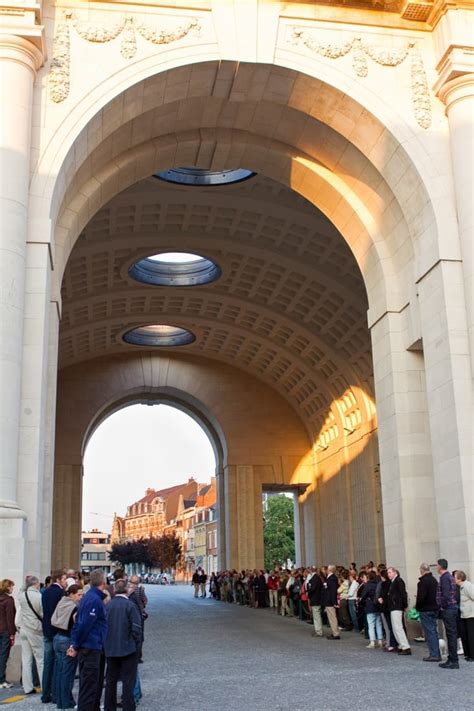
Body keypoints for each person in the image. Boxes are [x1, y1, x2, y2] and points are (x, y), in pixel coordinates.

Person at [68, 568, 108, 711]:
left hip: (94, 647)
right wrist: (75, 645)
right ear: (104, 582)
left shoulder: (91, 597)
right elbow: (83, 624)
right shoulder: (93, 599)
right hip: (90, 648)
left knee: (94, 687)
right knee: (89, 689)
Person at [103, 579, 142, 711]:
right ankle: (128, 707)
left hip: (111, 648)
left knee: (111, 681)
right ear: (127, 590)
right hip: (127, 648)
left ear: (114, 590)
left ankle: (109, 707)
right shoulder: (130, 605)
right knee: (128, 681)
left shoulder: (108, 606)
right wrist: (135, 645)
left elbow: (102, 628)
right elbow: (137, 628)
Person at [51, 584, 83, 709]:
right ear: (71, 594)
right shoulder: (74, 608)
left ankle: (58, 699)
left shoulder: (61, 602)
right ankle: (65, 701)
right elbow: (77, 627)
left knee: (59, 671)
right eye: (78, 595)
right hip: (67, 640)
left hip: (57, 638)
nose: (81, 597)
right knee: (67, 673)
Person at [41, 570, 67, 703]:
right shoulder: (60, 593)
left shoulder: (45, 592)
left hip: (46, 630)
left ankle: (45, 694)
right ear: (58, 580)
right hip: (56, 630)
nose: (66, 581)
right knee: (58, 664)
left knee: (47, 663)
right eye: (64, 579)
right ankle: (56, 694)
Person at [15, 575, 44, 695]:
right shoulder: (39, 596)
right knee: (40, 659)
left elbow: (21, 590)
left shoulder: (21, 596)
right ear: (35, 584)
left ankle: (27, 687)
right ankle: (44, 686)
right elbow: (42, 613)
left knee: (26, 659)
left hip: (23, 629)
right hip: (35, 629)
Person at [415, 563, 440, 662]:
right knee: (433, 631)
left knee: (430, 632)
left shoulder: (423, 582)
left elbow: (421, 598)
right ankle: (436, 653)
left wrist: (418, 607)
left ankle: (434, 654)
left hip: (426, 609)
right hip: (434, 608)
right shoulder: (434, 580)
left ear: (421, 570)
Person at [436, 558, 459, 669]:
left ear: (440, 566)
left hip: (448, 609)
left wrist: (442, 606)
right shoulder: (449, 576)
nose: (436, 567)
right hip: (452, 608)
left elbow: (445, 595)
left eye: (437, 565)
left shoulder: (445, 578)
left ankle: (453, 660)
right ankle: (452, 658)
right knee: (451, 634)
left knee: (451, 635)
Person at [386, 567, 411, 655]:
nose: (388, 574)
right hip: (394, 606)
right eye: (387, 573)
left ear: (395, 572)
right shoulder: (394, 581)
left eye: (390, 572)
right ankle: (401, 645)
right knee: (395, 628)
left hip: (397, 606)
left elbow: (403, 594)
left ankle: (405, 646)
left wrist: (404, 605)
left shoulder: (399, 581)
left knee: (398, 628)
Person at [454, 570, 474, 662]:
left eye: (455, 577)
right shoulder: (461, 587)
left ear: (460, 578)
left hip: (470, 615)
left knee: (471, 635)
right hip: (464, 614)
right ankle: (468, 654)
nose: (453, 579)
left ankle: (472, 655)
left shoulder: (467, 586)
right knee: (464, 635)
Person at [0, 579, 16, 689]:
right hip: (5, 630)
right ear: (7, 587)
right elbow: (10, 618)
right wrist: (12, 633)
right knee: (3, 655)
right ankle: (1, 680)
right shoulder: (9, 600)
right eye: (11, 586)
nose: (12, 588)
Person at [361, 571, 383, 648]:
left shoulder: (368, 585)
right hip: (378, 606)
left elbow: (363, 596)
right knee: (378, 624)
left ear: (369, 577)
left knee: (371, 625)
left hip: (370, 606)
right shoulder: (378, 584)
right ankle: (380, 641)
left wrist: (363, 603)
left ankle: (372, 642)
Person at [323, 565, 340, 640]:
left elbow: (333, 591)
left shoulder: (332, 578)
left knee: (332, 618)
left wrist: (334, 602)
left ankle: (335, 633)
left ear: (329, 570)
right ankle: (334, 632)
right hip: (328, 600)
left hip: (330, 601)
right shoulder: (330, 577)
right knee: (331, 618)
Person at [307, 568, 323, 637]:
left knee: (316, 616)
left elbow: (312, 588)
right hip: (318, 599)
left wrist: (308, 592)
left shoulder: (314, 578)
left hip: (315, 599)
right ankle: (318, 630)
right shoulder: (317, 578)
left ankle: (318, 631)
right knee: (317, 616)